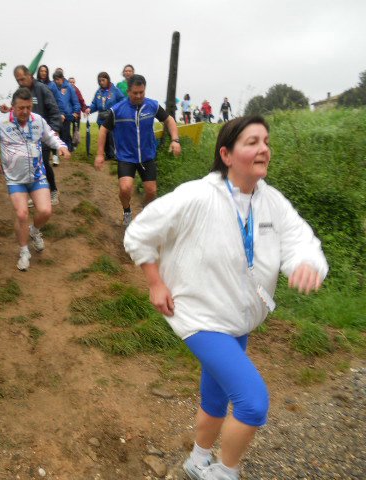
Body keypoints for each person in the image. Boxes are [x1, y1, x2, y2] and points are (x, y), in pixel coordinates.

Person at [123, 116, 328, 480]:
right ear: (227, 155)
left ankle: (198, 460)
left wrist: (306, 263)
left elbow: (300, 240)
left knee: (216, 397)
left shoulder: (272, 201)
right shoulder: (197, 195)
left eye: (266, 141)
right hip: (200, 316)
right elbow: (139, 232)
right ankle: (225, 472)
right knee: (252, 402)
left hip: (239, 318)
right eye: (252, 142)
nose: (263, 148)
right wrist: (155, 283)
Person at [0, 87, 70, 271]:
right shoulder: (1, 122)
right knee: (22, 214)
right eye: (21, 108)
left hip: (37, 175)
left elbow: (50, 136)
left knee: (45, 211)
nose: (25, 112)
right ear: (13, 107)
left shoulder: (38, 120)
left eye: (28, 107)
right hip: (15, 179)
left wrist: (61, 146)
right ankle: (24, 251)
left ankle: (34, 231)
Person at [94, 74, 181, 226]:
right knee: (125, 188)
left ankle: (144, 215)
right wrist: (100, 154)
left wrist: (175, 140)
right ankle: (127, 211)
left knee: (151, 191)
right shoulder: (117, 110)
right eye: (135, 93)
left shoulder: (152, 105)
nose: (139, 96)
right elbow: (103, 129)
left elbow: (169, 120)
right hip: (126, 157)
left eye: (142, 92)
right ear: (128, 91)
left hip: (147, 156)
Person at [1, 65, 63, 206]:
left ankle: (53, 191)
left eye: (22, 79)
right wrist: (8, 110)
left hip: (42, 133)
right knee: (30, 165)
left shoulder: (42, 89)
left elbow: (54, 110)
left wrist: (54, 129)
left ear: (30, 75)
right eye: (18, 80)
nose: (20, 82)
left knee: (43, 163)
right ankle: (37, 196)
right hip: (26, 137)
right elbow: (17, 110)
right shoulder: (20, 92)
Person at [84, 72, 124, 159]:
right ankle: (108, 155)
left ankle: (114, 154)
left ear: (107, 79)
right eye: (100, 81)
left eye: (103, 80)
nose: (101, 82)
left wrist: (115, 110)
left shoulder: (115, 90)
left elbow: (122, 101)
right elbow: (94, 104)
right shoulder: (98, 92)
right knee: (104, 136)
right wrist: (89, 109)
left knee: (111, 137)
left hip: (112, 117)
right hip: (101, 118)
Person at [51, 71, 81, 153]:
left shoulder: (69, 87)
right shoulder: (53, 87)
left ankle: (68, 151)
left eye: (58, 79)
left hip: (67, 115)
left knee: (65, 134)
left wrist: (76, 112)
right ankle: (60, 152)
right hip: (57, 115)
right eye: (55, 80)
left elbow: (75, 101)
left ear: (62, 78)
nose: (56, 81)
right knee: (57, 134)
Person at [68, 77, 88, 154]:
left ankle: (74, 145)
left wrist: (84, 110)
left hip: (77, 114)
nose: (72, 83)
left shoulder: (77, 90)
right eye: (70, 82)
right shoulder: (65, 90)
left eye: (73, 82)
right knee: (66, 130)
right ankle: (69, 144)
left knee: (76, 130)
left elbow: (81, 101)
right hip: (68, 114)